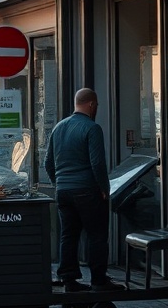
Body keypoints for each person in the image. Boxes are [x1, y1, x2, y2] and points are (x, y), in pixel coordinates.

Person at [44, 88, 123, 292]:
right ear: (91, 105)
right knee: (96, 235)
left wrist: (58, 183)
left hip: (63, 191)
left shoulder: (58, 128)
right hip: (87, 190)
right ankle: (98, 280)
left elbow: (48, 163)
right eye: (96, 105)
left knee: (68, 235)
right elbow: (97, 163)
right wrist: (104, 188)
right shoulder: (91, 128)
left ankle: (69, 280)